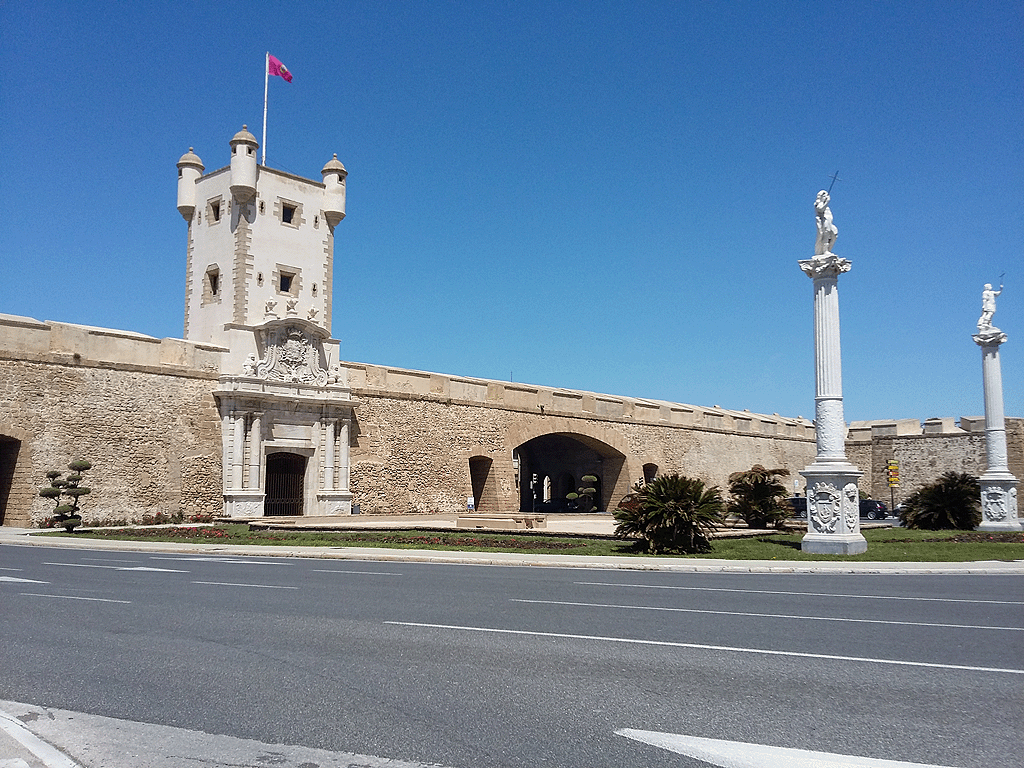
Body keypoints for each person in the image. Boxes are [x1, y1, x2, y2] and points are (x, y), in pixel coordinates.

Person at [814, 190, 838, 255]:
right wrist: (827, 202)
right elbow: (820, 209)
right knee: (826, 235)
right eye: (824, 196)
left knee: (834, 234)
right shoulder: (818, 203)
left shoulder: (826, 206)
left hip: (830, 222)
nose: (826, 197)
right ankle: (825, 250)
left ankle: (828, 249)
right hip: (824, 221)